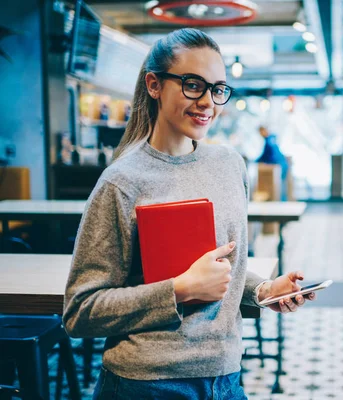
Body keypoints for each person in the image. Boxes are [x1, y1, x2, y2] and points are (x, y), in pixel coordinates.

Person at [63, 28, 315, 399]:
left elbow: (220, 275)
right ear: (154, 85)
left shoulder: (230, 166)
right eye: (193, 85)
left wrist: (263, 290)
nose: (208, 102)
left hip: (225, 378)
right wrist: (179, 290)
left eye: (217, 89)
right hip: (146, 383)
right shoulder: (122, 181)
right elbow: (80, 310)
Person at [256, 125, 289, 201]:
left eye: (261, 132)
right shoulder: (272, 139)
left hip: (279, 164)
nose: (260, 134)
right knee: (280, 184)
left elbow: (268, 155)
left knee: (279, 185)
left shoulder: (269, 141)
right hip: (281, 164)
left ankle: (280, 201)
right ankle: (281, 200)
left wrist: (257, 161)